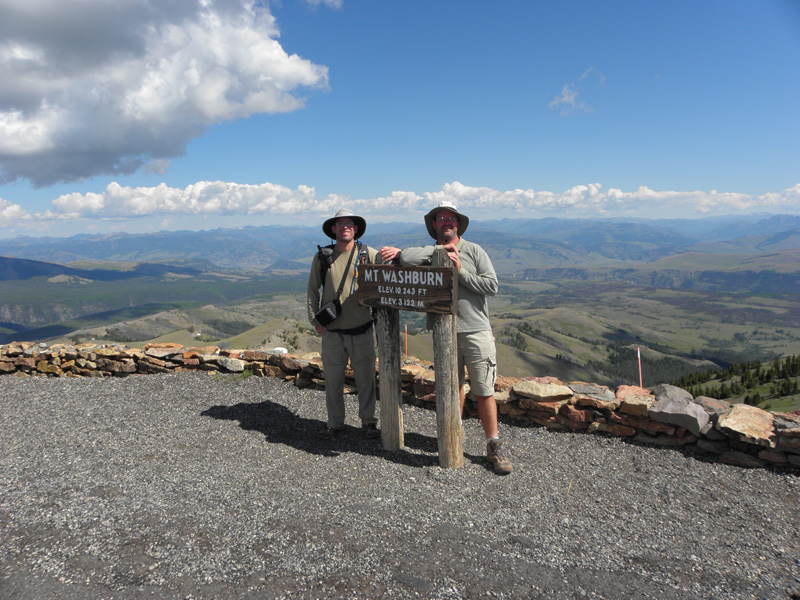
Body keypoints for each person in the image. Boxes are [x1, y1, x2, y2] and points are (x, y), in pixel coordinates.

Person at [379, 201, 512, 474]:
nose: (446, 222)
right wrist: (439, 250)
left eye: (451, 218)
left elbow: (492, 286)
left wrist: (460, 270)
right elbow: (406, 259)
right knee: (452, 388)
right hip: (444, 334)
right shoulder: (431, 252)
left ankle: (493, 444)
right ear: (435, 226)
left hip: (475, 330)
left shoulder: (474, 250)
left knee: (484, 390)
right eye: (441, 218)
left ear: (458, 224)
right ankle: (454, 436)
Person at [307, 208, 380, 440]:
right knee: (333, 382)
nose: (345, 227)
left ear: (356, 229)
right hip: (333, 332)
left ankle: (368, 422)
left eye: (349, 224)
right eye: (340, 224)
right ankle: (335, 423)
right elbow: (311, 290)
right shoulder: (322, 257)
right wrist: (314, 320)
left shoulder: (369, 254)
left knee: (366, 380)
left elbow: (391, 268)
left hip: (362, 329)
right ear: (333, 229)